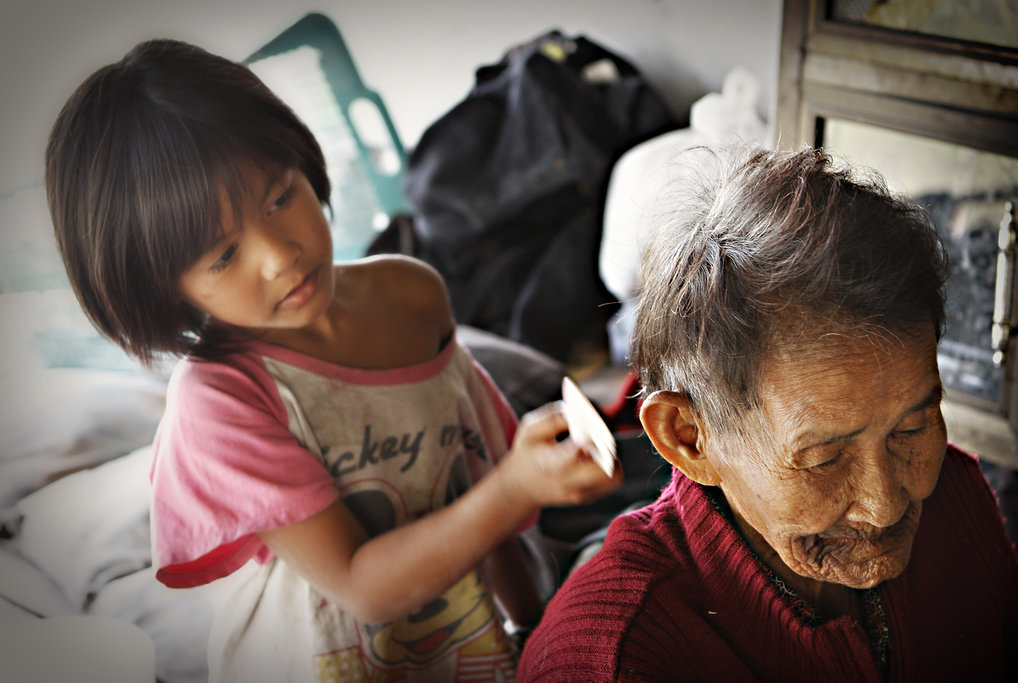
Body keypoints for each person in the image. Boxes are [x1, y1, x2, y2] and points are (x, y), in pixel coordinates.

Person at [45, 39, 622, 682]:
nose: (280, 255)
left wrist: (528, 629)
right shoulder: (221, 401)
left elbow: (482, 480)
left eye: (279, 198)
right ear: (161, 290)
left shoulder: (412, 295)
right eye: (223, 256)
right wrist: (514, 487)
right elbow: (362, 583)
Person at [518, 146, 1018, 681]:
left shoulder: (956, 494)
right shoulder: (613, 660)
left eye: (911, 428)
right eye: (824, 457)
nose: (886, 505)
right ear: (688, 439)